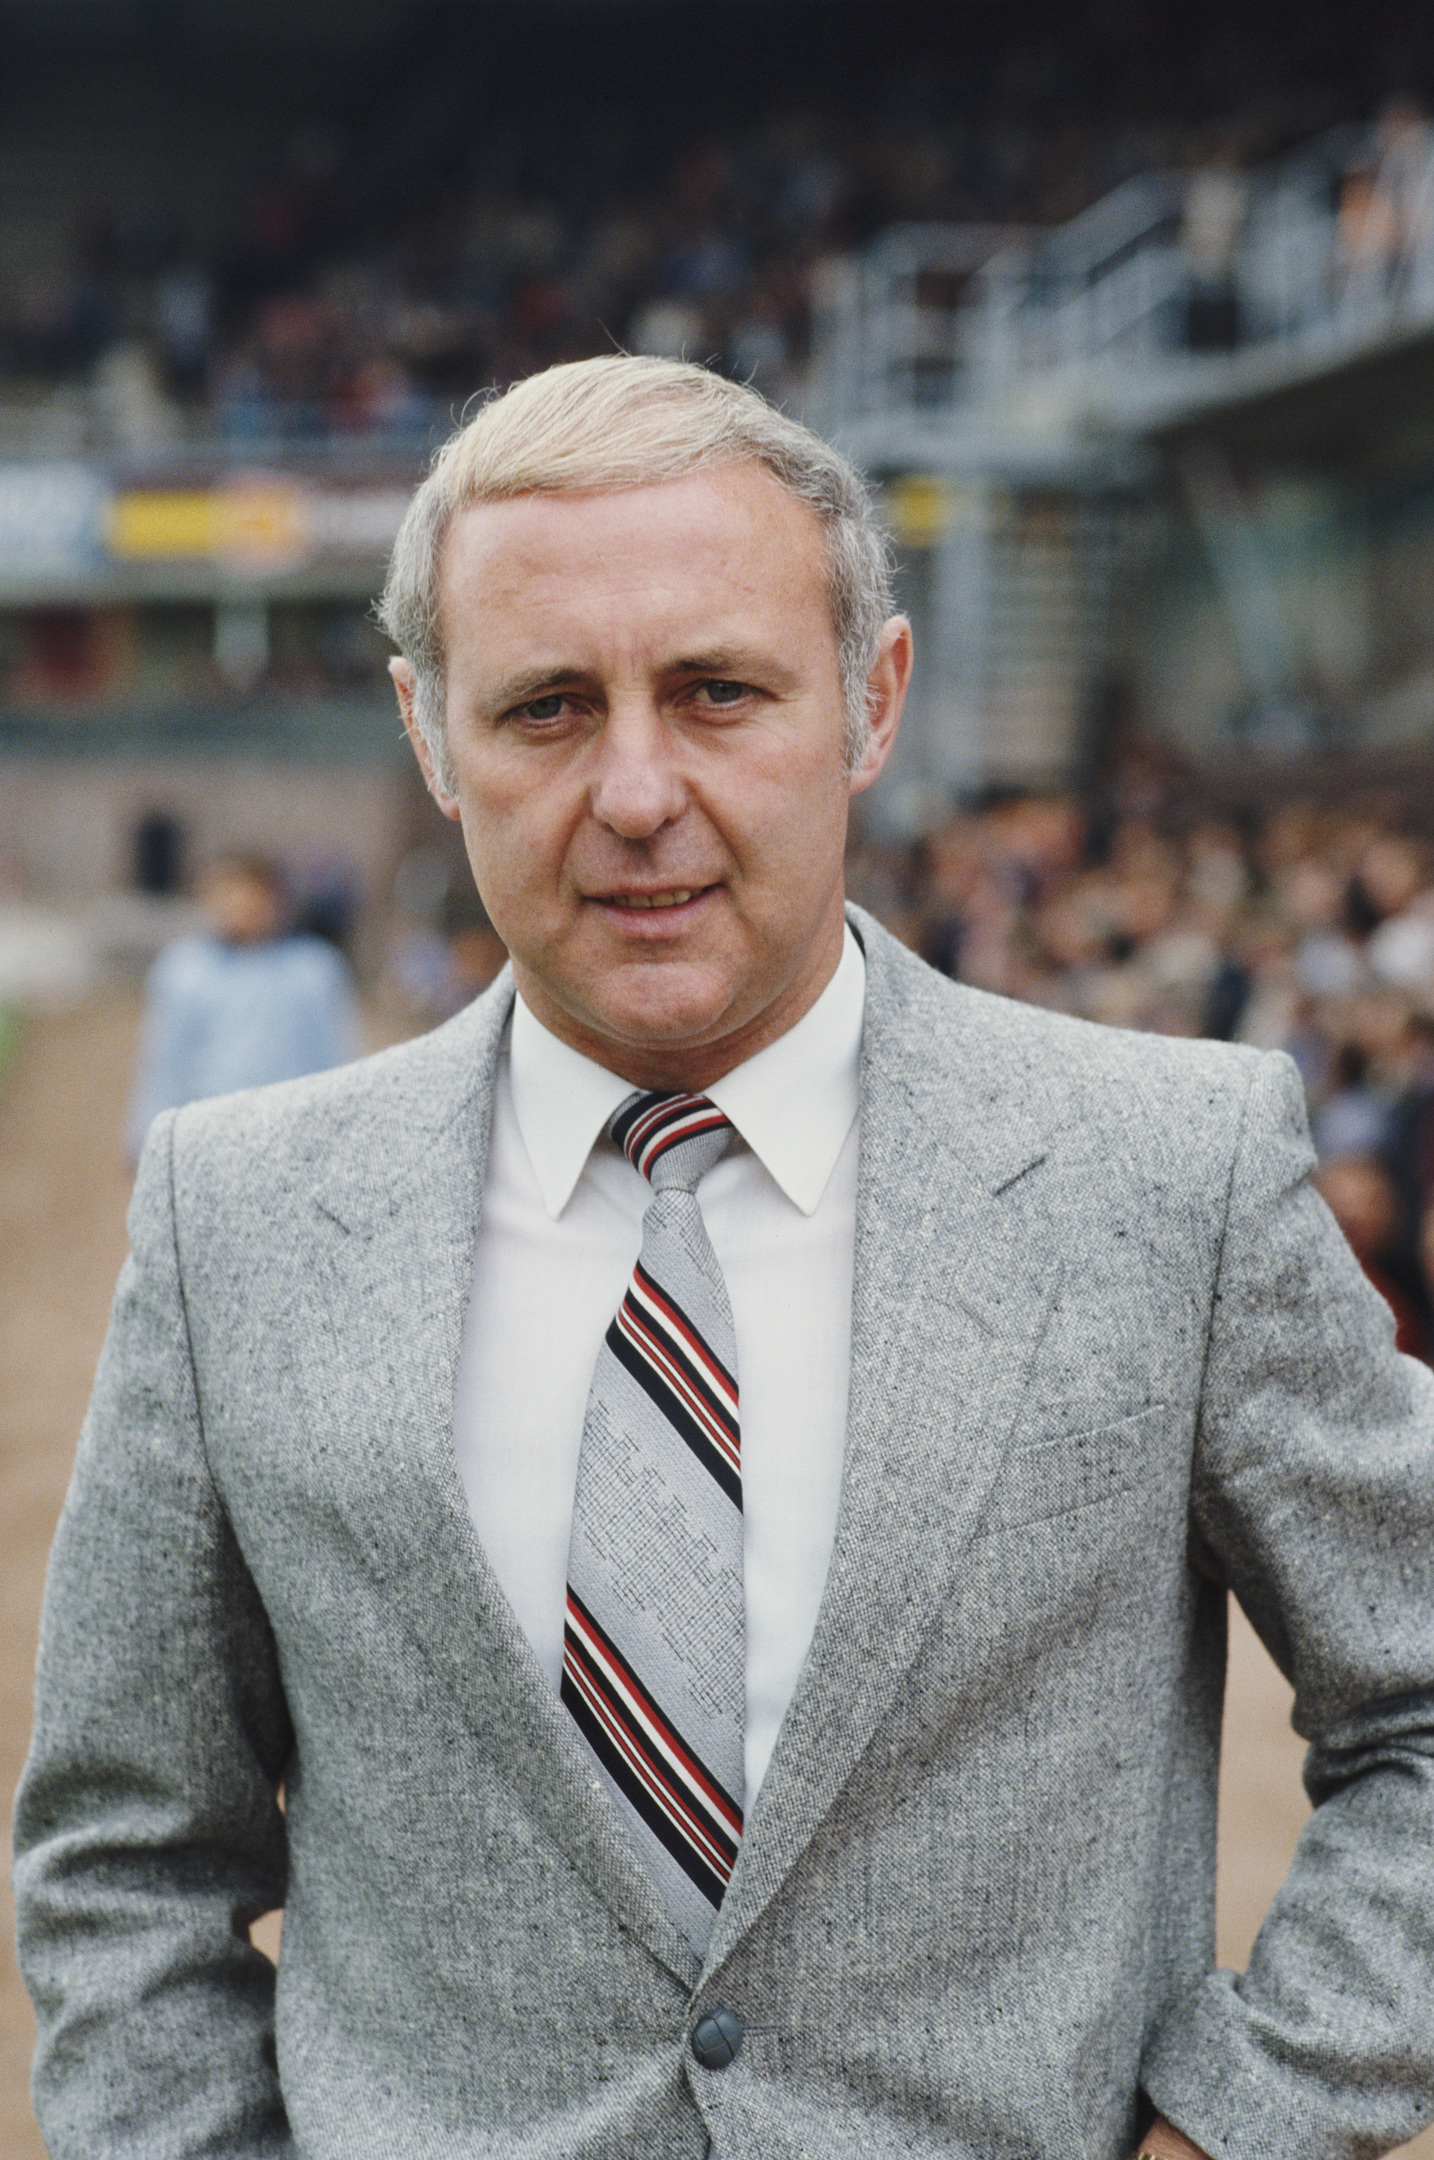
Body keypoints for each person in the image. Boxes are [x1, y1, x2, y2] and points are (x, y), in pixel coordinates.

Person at [14, 356, 1434, 2160]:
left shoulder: (1166, 1171)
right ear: (428, 736)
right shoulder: (237, 1219)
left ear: (869, 703)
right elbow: (125, 1859)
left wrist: (1238, 2123)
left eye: (714, 692)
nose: (631, 788)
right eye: (542, 708)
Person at [126, 850, 361, 1158]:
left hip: (291, 1139)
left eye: (253, 897)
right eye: (229, 896)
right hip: (206, 1137)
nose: (241, 908)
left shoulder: (314, 970)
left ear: (278, 901)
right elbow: (164, 1061)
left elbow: (338, 1057)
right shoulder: (184, 969)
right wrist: (145, 1137)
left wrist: (346, 1135)